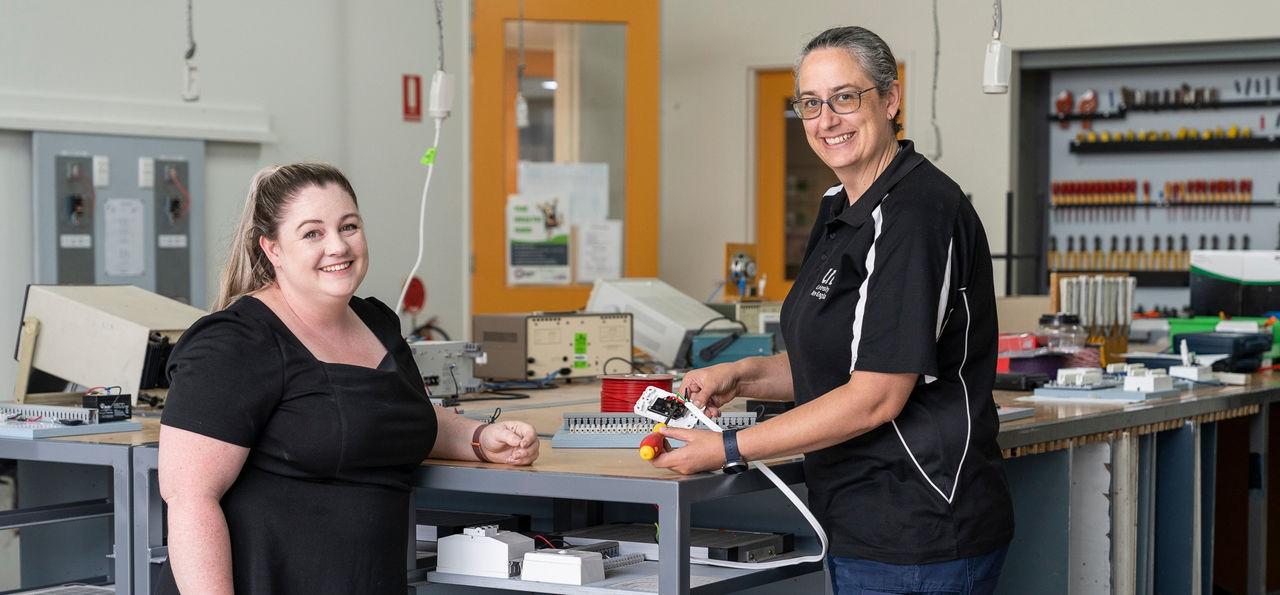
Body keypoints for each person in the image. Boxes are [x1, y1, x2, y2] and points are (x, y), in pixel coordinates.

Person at [649, 26, 1014, 594]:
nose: (827, 120)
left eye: (846, 97)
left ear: (891, 100)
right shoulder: (838, 206)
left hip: (918, 530)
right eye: (810, 104)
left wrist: (726, 448)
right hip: (857, 518)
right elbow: (839, 359)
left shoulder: (916, 214)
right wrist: (739, 374)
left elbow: (875, 395)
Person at [157, 162, 540, 594]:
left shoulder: (376, 322)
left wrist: (481, 439)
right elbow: (190, 499)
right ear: (272, 249)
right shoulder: (236, 342)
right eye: (312, 233)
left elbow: (391, 418)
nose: (338, 246)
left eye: (349, 226)